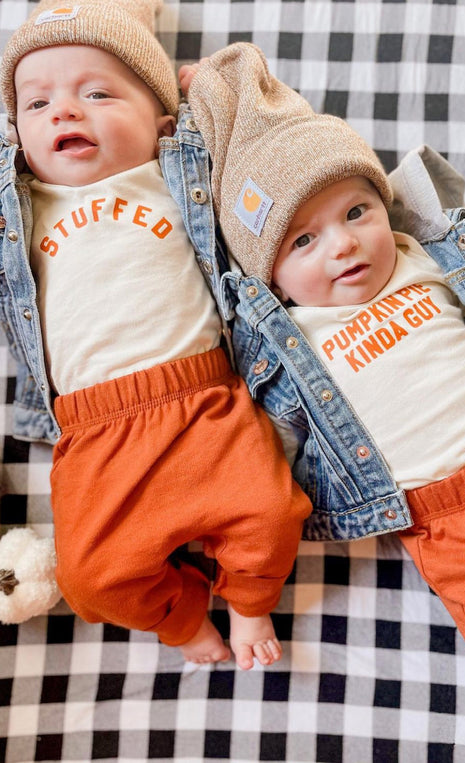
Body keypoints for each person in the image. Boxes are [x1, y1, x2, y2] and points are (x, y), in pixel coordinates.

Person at [180, 42, 465, 727]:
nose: (344, 245)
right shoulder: (294, 344)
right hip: (456, 519)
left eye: (355, 212)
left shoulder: (418, 261)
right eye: (302, 241)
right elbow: (268, 452)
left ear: (384, 204)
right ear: (271, 280)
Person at [0, 1, 312, 671]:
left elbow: (270, 144)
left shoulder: (173, 176)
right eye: (37, 103)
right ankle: (181, 612)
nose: (64, 112)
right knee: (92, 579)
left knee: (273, 512)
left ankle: (250, 598)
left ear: (162, 123)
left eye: (97, 92)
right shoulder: (24, 205)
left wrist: (213, 90)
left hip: (206, 400)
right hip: (95, 431)